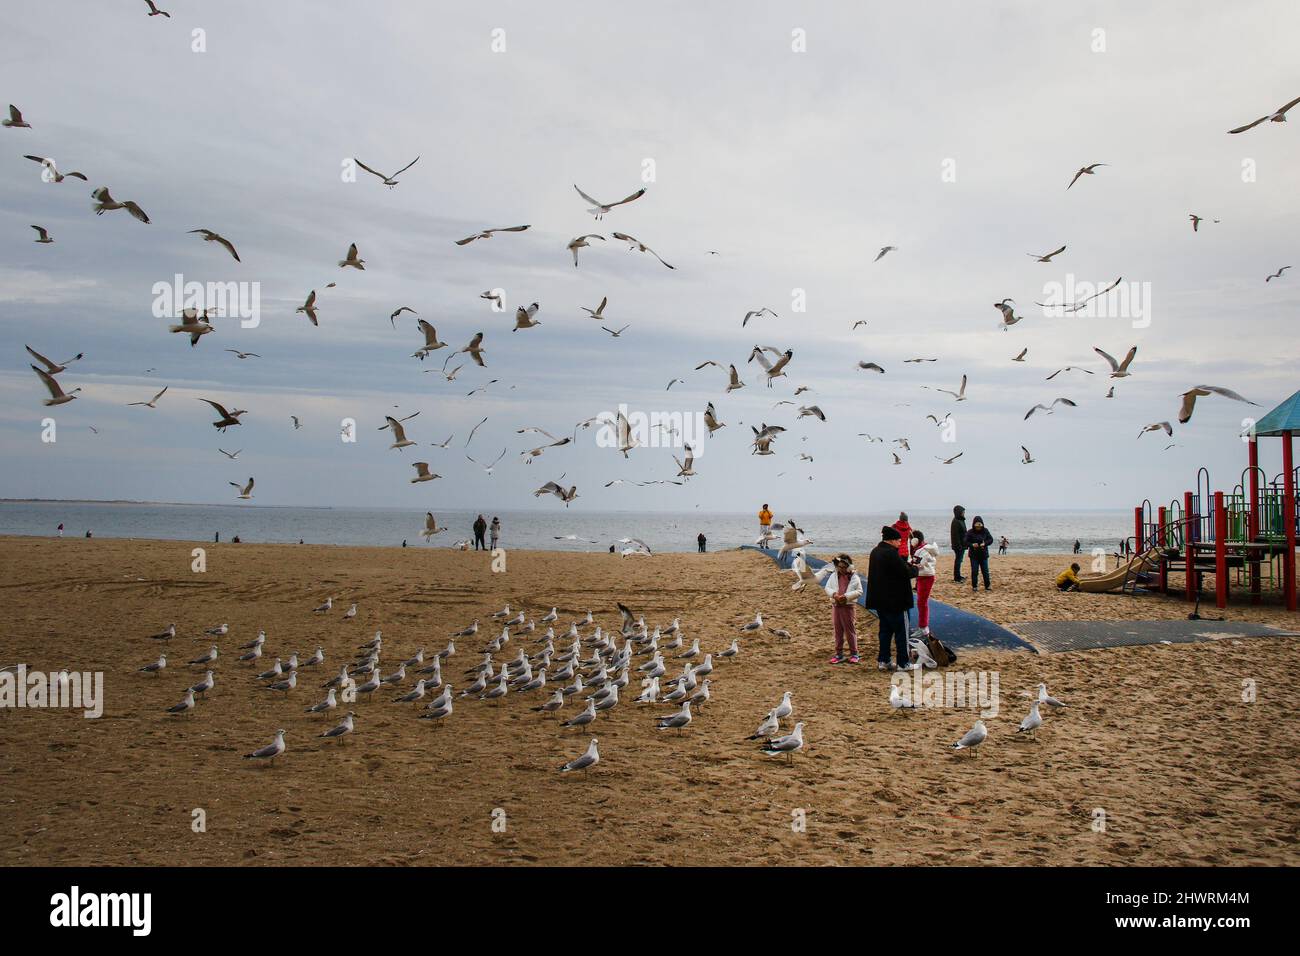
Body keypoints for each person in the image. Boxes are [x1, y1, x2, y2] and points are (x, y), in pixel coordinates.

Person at [865, 526, 918, 670]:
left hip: (880, 600)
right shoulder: (890, 554)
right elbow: (905, 572)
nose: (900, 543)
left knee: (885, 631)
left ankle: (884, 660)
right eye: (899, 541)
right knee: (902, 632)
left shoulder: (875, 552)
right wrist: (915, 568)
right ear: (892, 540)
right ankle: (903, 663)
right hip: (896, 601)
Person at [815, 553, 863, 664]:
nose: (841, 569)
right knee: (838, 630)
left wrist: (846, 597)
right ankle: (839, 654)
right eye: (839, 567)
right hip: (836, 606)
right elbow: (827, 587)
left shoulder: (854, 577)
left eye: (843, 567)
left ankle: (854, 653)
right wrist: (834, 595)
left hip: (848, 607)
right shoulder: (834, 576)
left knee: (850, 630)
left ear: (849, 567)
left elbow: (859, 591)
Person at [909, 530, 939, 636]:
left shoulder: (922, 550)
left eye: (910, 539)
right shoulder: (923, 549)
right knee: (922, 602)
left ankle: (923, 627)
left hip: (925, 577)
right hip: (924, 576)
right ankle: (923, 626)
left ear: (915, 540)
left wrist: (908, 564)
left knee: (922, 603)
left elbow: (917, 564)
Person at [965, 516, 994, 591]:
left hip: (984, 555)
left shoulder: (985, 531)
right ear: (974, 525)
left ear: (982, 525)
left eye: (980, 525)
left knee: (985, 571)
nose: (978, 527)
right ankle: (974, 586)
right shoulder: (970, 532)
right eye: (977, 525)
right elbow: (965, 541)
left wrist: (985, 543)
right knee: (974, 571)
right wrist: (972, 545)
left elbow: (991, 539)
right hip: (974, 555)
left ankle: (987, 586)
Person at [949, 505, 967, 582]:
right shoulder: (956, 521)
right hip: (958, 546)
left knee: (959, 560)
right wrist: (959, 546)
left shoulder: (961, 520)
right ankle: (957, 577)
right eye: (963, 512)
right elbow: (955, 535)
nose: (964, 513)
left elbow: (963, 533)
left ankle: (958, 575)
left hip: (962, 544)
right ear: (959, 512)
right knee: (958, 560)